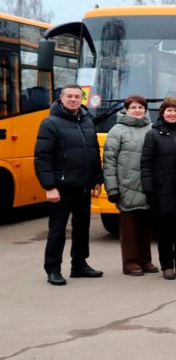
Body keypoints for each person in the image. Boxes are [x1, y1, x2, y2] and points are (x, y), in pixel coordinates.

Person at [34, 84, 104, 286]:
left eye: (77, 96)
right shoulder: (50, 123)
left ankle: (79, 265)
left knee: (82, 228)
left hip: (83, 186)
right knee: (57, 230)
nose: (73, 99)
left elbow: (92, 153)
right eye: (69, 96)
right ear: (61, 98)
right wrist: (49, 187)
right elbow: (42, 157)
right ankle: (53, 270)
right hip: (61, 188)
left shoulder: (87, 121)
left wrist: (97, 179)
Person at [141, 97, 176, 280]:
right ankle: (166, 265)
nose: (172, 114)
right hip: (161, 190)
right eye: (168, 111)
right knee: (164, 231)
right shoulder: (153, 134)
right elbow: (145, 164)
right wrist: (149, 190)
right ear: (162, 113)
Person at [103, 94, 154, 276]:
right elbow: (109, 161)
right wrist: (112, 188)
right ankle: (131, 263)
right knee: (130, 229)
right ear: (126, 110)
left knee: (146, 228)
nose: (137, 111)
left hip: (147, 186)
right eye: (133, 108)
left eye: (140, 107)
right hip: (126, 187)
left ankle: (146, 260)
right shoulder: (117, 130)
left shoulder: (152, 128)